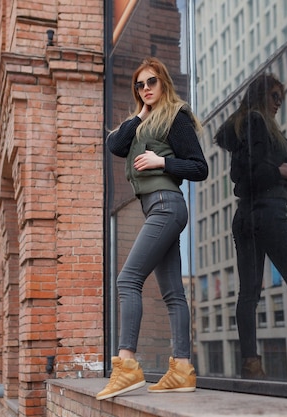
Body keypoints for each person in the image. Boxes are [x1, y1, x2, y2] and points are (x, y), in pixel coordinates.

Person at [96, 57, 209, 400]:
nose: (146, 89)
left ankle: (127, 365)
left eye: (152, 83)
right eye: (140, 85)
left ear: (164, 83)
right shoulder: (144, 121)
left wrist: (163, 161)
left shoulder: (176, 116)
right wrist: (141, 113)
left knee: (127, 280)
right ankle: (182, 369)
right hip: (158, 209)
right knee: (173, 293)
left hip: (165, 205)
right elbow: (115, 146)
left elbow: (199, 167)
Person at [214, 73, 287, 383]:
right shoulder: (255, 122)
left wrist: (276, 169)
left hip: (248, 217)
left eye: (282, 98)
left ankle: (251, 365)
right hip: (267, 212)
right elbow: (243, 176)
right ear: (261, 95)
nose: (279, 103)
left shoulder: (252, 126)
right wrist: (277, 171)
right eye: (275, 96)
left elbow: (244, 173)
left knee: (249, 294)